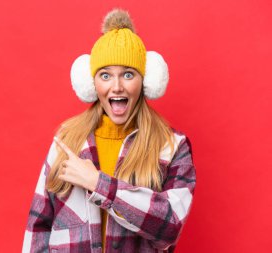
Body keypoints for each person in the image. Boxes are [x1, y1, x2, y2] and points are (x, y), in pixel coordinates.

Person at [23, 9, 196, 253]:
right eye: (105, 75)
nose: (116, 87)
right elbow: (38, 227)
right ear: (92, 83)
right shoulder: (68, 140)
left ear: (146, 81)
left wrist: (97, 182)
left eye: (127, 74)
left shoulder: (171, 147)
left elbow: (170, 225)